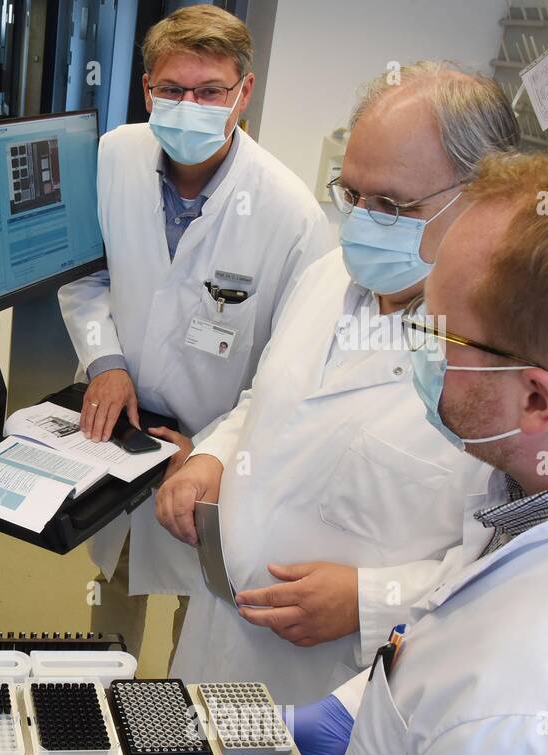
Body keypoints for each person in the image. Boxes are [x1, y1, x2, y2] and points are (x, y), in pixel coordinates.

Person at [193, 149, 548, 755]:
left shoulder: (545, 702)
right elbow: (459, 617)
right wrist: (357, 709)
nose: (412, 348)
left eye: (436, 335)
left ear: (537, 399)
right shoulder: (532, 495)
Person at [156, 64, 519, 755]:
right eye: (352, 194)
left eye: (391, 205)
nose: (362, 220)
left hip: (343, 698)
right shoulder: (332, 275)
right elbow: (263, 399)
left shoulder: (505, 362)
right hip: (223, 648)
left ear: (482, 200)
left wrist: (371, 603)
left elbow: (506, 577)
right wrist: (213, 456)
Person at [57, 5, 331, 657]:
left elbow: (291, 372)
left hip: (218, 464)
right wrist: (105, 360)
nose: (190, 105)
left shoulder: (290, 216)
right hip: (121, 441)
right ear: (146, 88)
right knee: (113, 595)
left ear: (244, 92)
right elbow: (83, 277)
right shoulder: (111, 158)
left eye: (210, 92)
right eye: (172, 90)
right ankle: (103, 726)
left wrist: (211, 455)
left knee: (201, 621)